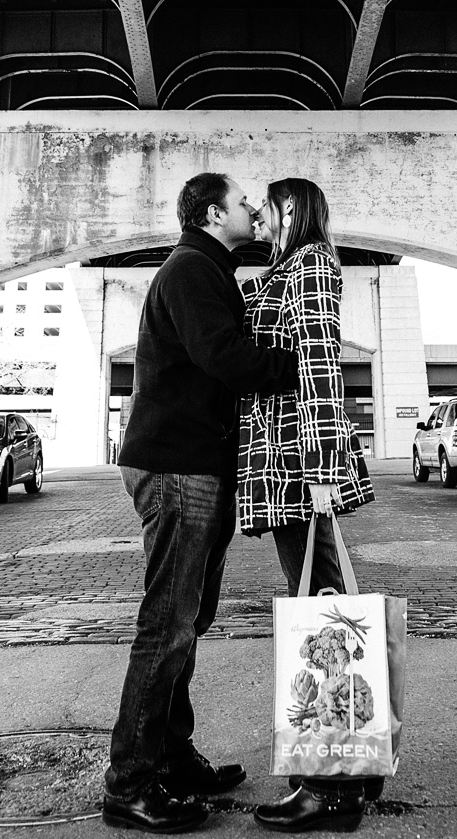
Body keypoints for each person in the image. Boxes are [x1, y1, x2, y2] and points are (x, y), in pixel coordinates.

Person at [103, 172, 300, 834]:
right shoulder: (191, 268)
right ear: (216, 213)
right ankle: (130, 781)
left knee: (188, 618)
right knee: (168, 621)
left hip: (194, 463)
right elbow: (226, 357)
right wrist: (295, 363)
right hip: (177, 465)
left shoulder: (206, 269)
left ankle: (172, 755)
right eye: (244, 203)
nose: (253, 210)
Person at [236, 178, 377, 834]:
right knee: (323, 606)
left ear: (296, 212)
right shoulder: (288, 268)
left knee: (323, 614)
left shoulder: (313, 262)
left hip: (301, 464)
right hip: (287, 462)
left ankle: (330, 785)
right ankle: (350, 768)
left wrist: (322, 469)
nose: (262, 216)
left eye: (272, 207)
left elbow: (320, 362)